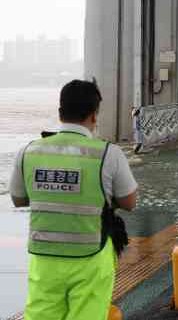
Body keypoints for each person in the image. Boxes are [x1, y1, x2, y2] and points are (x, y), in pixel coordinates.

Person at [9, 79, 138, 320]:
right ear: (94, 115)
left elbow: (18, 199)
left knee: (40, 315)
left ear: (60, 113)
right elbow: (129, 202)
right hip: (92, 255)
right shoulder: (108, 153)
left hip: (44, 256)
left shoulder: (29, 151)